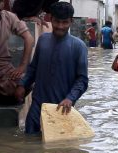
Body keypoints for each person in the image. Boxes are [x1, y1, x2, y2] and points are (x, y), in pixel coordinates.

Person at [21, 2, 89, 134]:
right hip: (37, 105)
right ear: (51, 19)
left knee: (58, 150)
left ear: (71, 22)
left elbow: (82, 80)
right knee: (28, 140)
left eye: (65, 22)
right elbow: (33, 68)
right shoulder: (43, 40)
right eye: (57, 21)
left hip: (61, 108)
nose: (60, 26)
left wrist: (70, 98)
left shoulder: (79, 47)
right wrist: (22, 85)